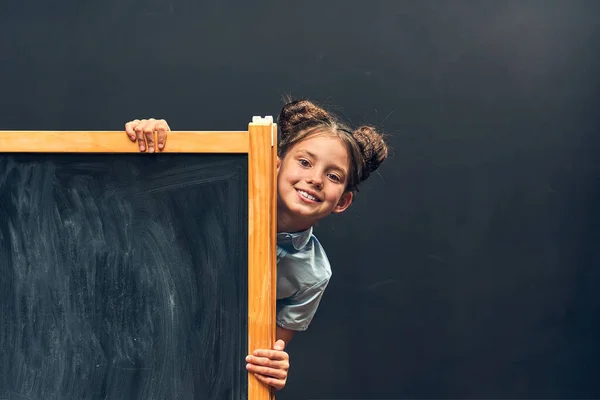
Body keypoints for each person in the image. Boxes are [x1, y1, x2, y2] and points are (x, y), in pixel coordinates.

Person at [124, 99, 389, 390]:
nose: (315, 179)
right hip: (136, 336)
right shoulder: (215, 202)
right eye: (304, 162)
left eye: (333, 176)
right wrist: (151, 146)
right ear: (275, 164)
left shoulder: (313, 275)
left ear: (343, 201)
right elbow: (148, 208)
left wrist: (274, 366)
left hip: (195, 374)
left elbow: (266, 351)